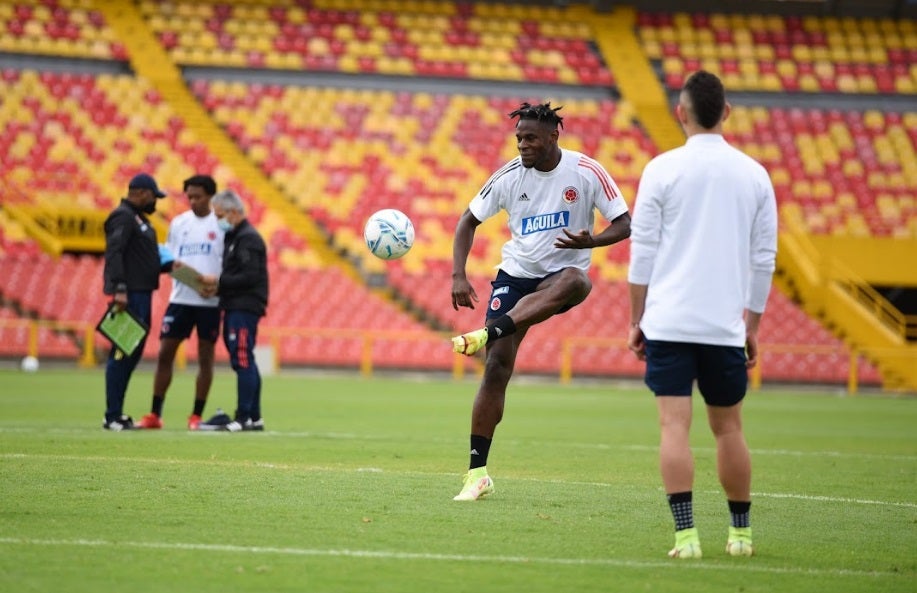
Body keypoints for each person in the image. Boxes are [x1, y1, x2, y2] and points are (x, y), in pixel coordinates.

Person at [626, 71, 778, 559]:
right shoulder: (755, 174)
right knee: (730, 429)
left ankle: (686, 537)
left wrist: (637, 319)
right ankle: (741, 536)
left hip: (668, 322)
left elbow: (642, 252)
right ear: (727, 113)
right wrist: (751, 327)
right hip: (723, 327)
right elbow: (763, 259)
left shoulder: (661, 169)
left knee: (674, 427)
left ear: (680, 113)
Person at [450, 102, 632, 501]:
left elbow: (624, 223)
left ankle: (488, 332)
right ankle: (476, 474)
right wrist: (458, 275)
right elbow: (468, 220)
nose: (522, 145)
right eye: (518, 138)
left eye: (530, 138)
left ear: (553, 137)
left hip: (559, 279)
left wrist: (593, 241)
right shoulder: (510, 176)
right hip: (515, 277)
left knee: (578, 280)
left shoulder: (586, 172)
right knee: (496, 367)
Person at [135, 175, 223, 431]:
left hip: (210, 302)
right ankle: (155, 413)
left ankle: (196, 416)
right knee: (165, 354)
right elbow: (171, 261)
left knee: (205, 359)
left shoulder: (220, 226)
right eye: (190, 196)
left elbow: (227, 264)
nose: (193, 201)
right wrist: (195, 283)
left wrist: (216, 286)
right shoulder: (179, 223)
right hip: (181, 299)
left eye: (198, 196)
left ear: (210, 197)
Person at [101, 172, 169, 431]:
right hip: (129, 294)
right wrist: (119, 288)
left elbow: (140, 257)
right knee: (122, 352)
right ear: (140, 192)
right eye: (153, 197)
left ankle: (116, 412)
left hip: (141, 292)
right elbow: (115, 251)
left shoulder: (139, 219)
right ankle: (112, 415)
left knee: (132, 352)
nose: (155, 203)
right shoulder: (123, 216)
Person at [200, 189, 269, 432]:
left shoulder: (248, 238)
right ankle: (254, 417)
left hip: (244, 306)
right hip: (235, 304)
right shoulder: (235, 237)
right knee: (245, 359)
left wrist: (218, 282)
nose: (218, 220)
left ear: (233, 212)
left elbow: (250, 276)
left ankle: (243, 417)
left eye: (219, 215)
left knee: (242, 358)